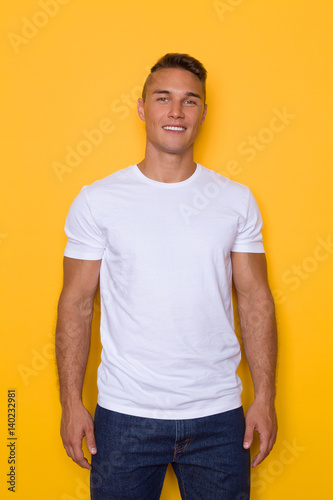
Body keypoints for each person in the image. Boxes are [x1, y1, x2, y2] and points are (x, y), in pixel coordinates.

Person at [56, 53, 278, 500]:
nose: (176, 112)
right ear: (142, 108)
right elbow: (76, 303)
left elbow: (255, 299)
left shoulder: (234, 199)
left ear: (203, 112)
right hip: (124, 417)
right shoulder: (98, 200)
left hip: (219, 417)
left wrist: (265, 398)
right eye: (163, 98)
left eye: (189, 101)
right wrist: (70, 402)